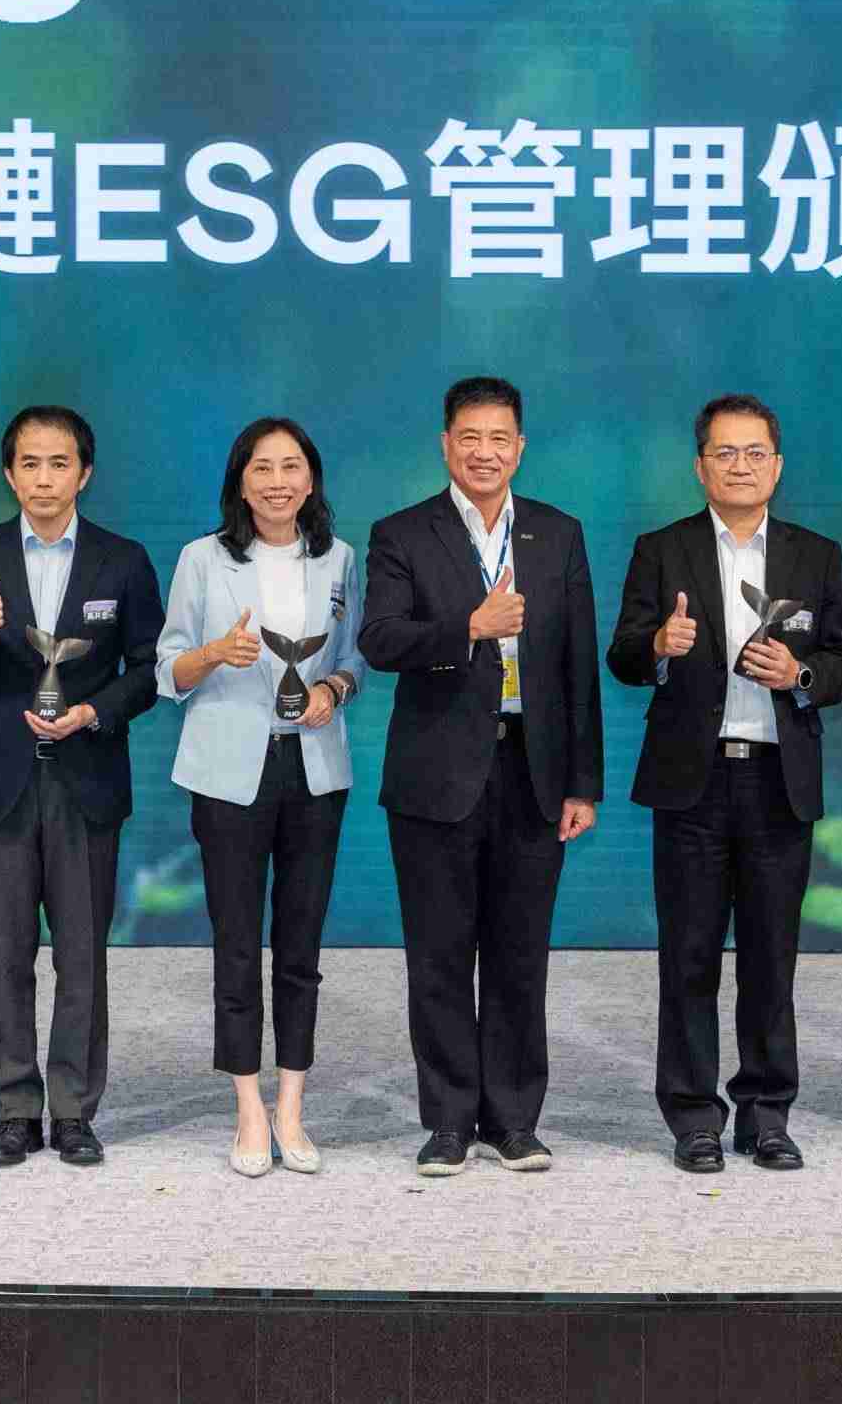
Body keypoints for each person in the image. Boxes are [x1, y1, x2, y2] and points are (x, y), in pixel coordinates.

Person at [607, 394, 842, 1173]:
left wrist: (800, 673)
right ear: (699, 466)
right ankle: (692, 1116)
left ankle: (766, 1112)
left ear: (776, 466)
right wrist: (658, 642)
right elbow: (621, 655)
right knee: (687, 956)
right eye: (724, 452)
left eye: (754, 453)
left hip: (779, 780)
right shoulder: (662, 549)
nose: (739, 466)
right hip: (693, 779)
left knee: (770, 957)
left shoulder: (816, 555)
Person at [360, 376, 602, 1178]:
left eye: (499, 438)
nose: (484, 452)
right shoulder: (402, 532)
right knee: (437, 954)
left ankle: (513, 1120)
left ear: (520, 448)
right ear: (445, 444)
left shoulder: (557, 533)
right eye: (470, 437)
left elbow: (577, 666)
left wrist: (582, 783)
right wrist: (469, 626)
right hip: (435, 773)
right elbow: (379, 638)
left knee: (518, 955)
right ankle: (447, 1121)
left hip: (533, 769)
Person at [0, 406, 162, 1169]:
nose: (43, 478)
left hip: (85, 774)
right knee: (6, 953)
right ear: (9, 474)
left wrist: (93, 712)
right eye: (29, 463)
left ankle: (72, 1110)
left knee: (81, 952)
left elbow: (149, 668)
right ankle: (14, 1109)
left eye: (58, 463)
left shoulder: (122, 559)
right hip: (1, 777)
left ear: (83, 473)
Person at [156, 417, 364, 1176]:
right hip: (228, 772)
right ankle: (248, 1106)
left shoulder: (340, 558)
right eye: (262, 468)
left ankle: (292, 1107)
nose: (278, 481)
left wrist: (332, 690)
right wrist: (215, 653)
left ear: (311, 479)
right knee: (238, 943)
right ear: (240, 482)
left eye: (291, 466)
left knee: (301, 946)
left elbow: (355, 660)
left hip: (314, 770)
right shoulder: (201, 559)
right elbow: (168, 668)